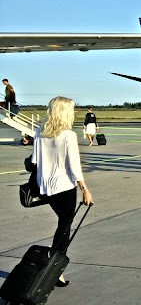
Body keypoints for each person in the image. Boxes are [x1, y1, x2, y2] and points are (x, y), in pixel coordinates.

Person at [31, 96, 94, 287]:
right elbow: (74, 166)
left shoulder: (40, 131)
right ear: (65, 112)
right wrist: (85, 189)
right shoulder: (68, 135)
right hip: (64, 186)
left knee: (62, 225)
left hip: (45, 187)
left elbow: (34, 161)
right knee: (64, 228)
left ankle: (54, 259)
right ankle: (56, 269)